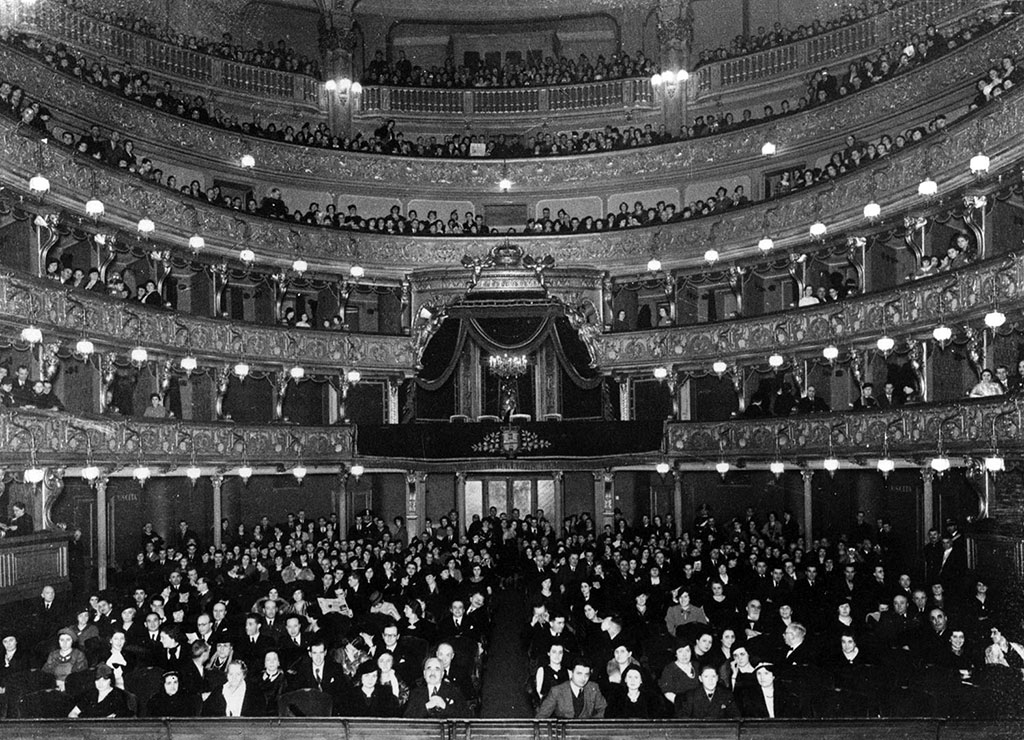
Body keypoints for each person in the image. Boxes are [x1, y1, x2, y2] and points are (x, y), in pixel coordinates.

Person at [535, 659, 607, 719]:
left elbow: (603, 709)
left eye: (586, 674)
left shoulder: (593, 688)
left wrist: (592, 725)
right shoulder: (556, 691)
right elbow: (541, 717)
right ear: (572, 673)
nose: (583, 678)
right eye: (579, 673)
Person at [404, 656, 470, 718]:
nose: (432, 672)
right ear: (424, 674)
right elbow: (407, 718)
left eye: (437, 669)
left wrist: (444, 706)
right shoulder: (415, 693)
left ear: (442, 674)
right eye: (429, 668)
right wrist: (427, 706)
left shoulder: (454, 691)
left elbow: (466, 716)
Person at [674, 664, 741, 719]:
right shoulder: (690, 696)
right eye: (706, 677)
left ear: (717, 678)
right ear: (700, 679)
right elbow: (683, 719)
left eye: (713, 676)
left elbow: (736, 717)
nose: (710, 680)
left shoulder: (726, 695)